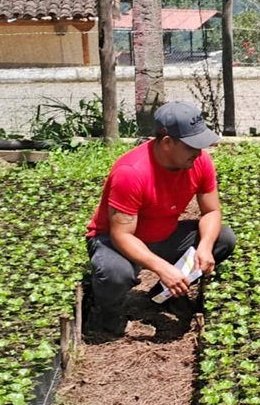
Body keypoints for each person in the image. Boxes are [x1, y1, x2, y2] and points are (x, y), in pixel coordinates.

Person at [84, 101, 236, 337]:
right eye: (191, 146)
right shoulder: (131, 172)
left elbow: (212, 212)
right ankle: (107, 319)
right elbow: (121, 235)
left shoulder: (200, 161)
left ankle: (164, 294)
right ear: (167, 143)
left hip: (162, 234)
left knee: (223, 238)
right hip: (115, 242)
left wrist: (204, 248)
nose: (199, 152)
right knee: (115, 272)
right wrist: (162, 267)